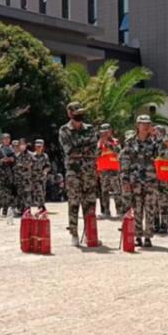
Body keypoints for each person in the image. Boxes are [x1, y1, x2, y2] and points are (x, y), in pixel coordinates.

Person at [58, 102, 99, 246]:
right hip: (73, 173)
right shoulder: (64, 130)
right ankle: (74, 234)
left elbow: (94, 150)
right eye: (76, 113)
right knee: (74, 203)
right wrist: (85, 150)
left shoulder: (90, 129)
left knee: (90, 204)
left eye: (81, 112)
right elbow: (69, 151)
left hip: (89, 172)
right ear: (69, 113)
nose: (80, 115)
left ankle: (90, 234)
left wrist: (81, 150)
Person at [120, 115, 161, 247]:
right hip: (135, 181)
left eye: (148, 124)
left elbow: (164, 155)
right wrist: (125, 180)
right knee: (137, 209)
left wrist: (159, 138)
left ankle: (148, 237)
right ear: (137, 125)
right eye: (143, 124)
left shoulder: (154, 142)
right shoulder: (130, 142)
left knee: (150, 209)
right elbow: (125, 161)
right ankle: (137, 236)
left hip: (150, 181)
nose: (146, 126)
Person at [96, 124, 123, 218]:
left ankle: (119, 211)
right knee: (104, 192)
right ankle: (106, 211)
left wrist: (108, 144)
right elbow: (96, 155)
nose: (105, 133)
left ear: (110, 131)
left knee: (117, 191)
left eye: (107, 131)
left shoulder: (115, 141)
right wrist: (100, 145)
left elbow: (118, 152)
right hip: (103, 171)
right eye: (103, 132)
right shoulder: (99, 143)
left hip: (114, 170)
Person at [153, 126, 168, 234]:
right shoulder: (152, 144)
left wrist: (162, 144)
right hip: (154, 178)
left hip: (164, 179)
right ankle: (155, 225)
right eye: (155, 132)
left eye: (158, 132)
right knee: (154, 203)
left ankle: (165, 225)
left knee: (164, 203)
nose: (156, 134)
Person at [0, 133, 16, 217]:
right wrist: (1, 161)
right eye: (5, 139)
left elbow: (16, 159)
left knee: (8, 192)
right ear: (2, 140)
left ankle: (5, 211)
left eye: (8, 139)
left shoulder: (12, 149)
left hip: (9, 173)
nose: (6, 140)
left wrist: (12, 159)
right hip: (0, 173)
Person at [31, 139, 51, 210]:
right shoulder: (32, 156)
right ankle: (42, 206)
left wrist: (45, 170)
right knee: (38, 191)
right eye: (37, 146)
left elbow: (48, 166)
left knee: (43, 192)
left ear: (42, 147)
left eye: (40, 146)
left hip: (42, 177)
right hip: (35, 177)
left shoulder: (45, 156)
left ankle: (40, 205)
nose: (38, 148)